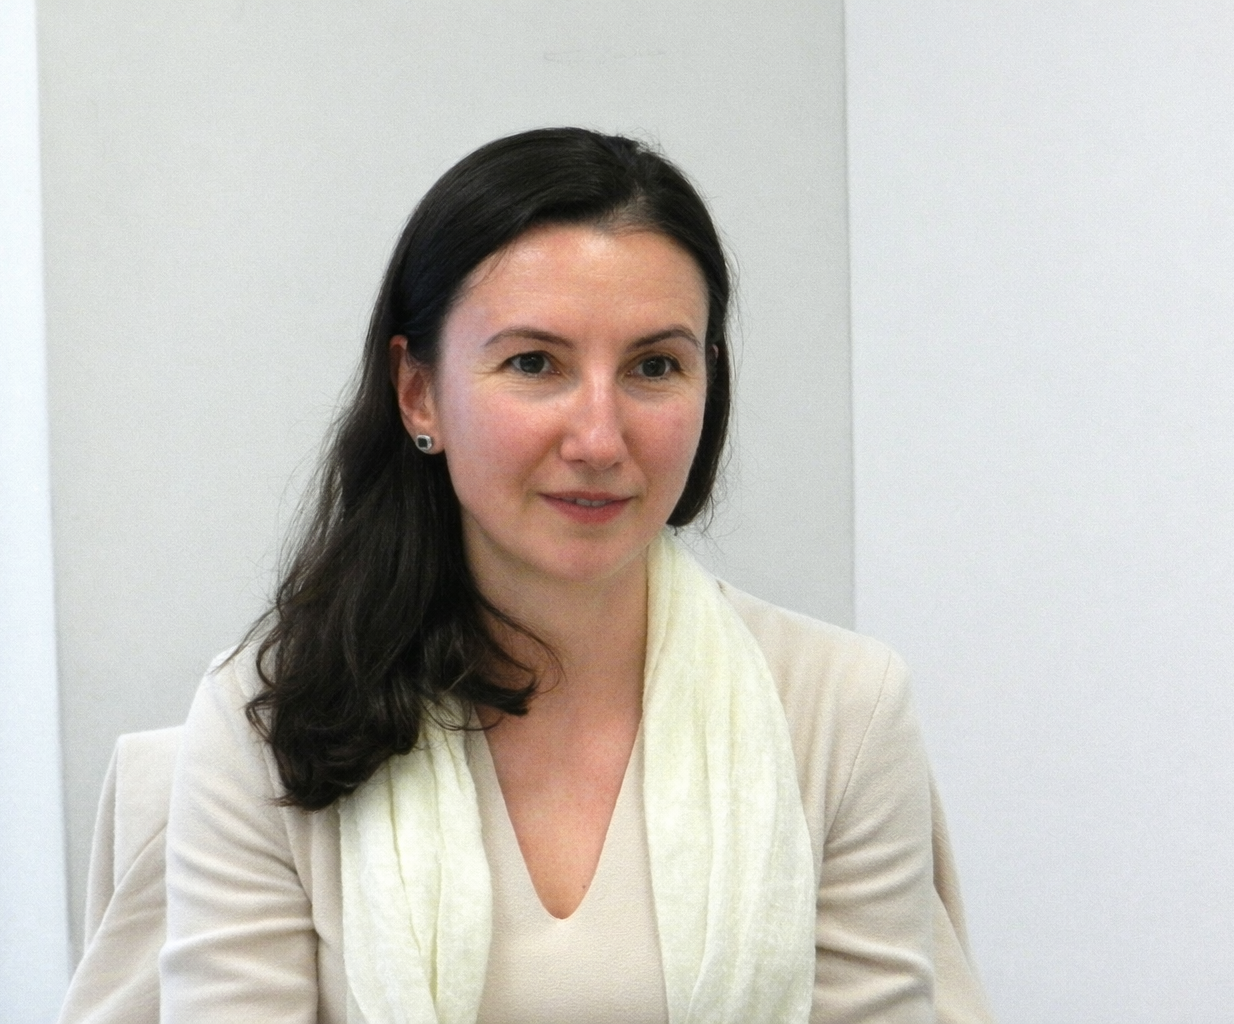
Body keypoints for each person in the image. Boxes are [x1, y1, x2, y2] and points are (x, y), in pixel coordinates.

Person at [63, 127, 993, 1024]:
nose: (599, 438)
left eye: (654, 366)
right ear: (418, 393)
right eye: (535, 363)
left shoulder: (842, 711)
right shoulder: (263, 718)